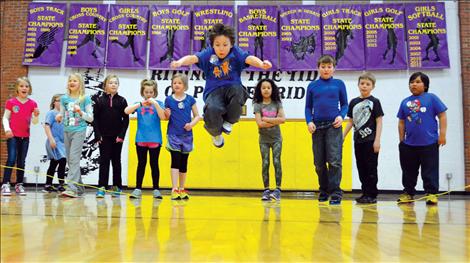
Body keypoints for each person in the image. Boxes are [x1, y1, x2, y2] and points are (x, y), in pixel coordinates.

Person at [170, 23, 272, 147]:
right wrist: (180, 62)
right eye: (217, 45)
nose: (221, 49)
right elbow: (193, 58)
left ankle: (229, 122)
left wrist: (261, 64)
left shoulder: (236, 52)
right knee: (213, 110)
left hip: (232, 88)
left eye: (225, 45)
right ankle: (216, 134)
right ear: (212, 45)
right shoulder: (208, 54)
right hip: (214, 91)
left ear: (231, 44)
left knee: (238, 91)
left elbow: (249, 58)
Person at [397, 72, 447, 205]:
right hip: (409, 145)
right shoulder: (405, 102)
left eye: (418, 81)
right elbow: (401, 121)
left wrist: (442, 135)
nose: (414, 84)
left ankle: (431, 194)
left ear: (425, 85)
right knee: (408, 171)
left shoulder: (431, 98)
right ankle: (408, 193)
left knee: (429, 170)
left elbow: (442, 116)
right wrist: (401, 140)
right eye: (412, 82)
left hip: (429, 143)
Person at [305, 54, 348, 205]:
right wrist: (309, 121)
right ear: (318, 68)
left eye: (329, 67)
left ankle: (336, 192)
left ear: (333, 69)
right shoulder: (312, 86)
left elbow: (344, 104)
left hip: (333, 126)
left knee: (335, 161)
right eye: (323, 67)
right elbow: (308, 107)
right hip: (317, 127)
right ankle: (324, 189)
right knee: (319, 162)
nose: (326, 69)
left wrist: (341, 116)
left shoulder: (339, 84)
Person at [343, 73, 384, 204]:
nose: (364, 86)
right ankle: (365, 192)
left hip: (370, 141)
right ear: (358, 85)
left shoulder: (375, 102)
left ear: (373, 87)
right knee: (361, 167)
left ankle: (372, 194)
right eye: (362, 83)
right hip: (358, 141)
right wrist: (342, 136)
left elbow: (379, 122)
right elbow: (350, 122)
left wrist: (377, 140)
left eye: (368, 84)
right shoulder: (353, 102)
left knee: (371, 167)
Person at [125, 79, 166, 199]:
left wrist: (155, 104)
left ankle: (156, 189)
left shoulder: (159, 103)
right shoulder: (138, 104)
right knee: (141, 164)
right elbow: (126, 111)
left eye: (151, 92)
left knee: (154, 164)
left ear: (155, 93)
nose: (149, 94)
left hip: (155, 140)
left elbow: (163, 117)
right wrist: (140, 104)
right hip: (141, 139)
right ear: (143, 92)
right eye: (146, 92)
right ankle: (138, 189)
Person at [56, 73, 93, 198]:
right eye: (70, 80)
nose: (72, 82)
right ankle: (80, 187)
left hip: (79, 131)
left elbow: (91, 118)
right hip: (66, 130)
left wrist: (80, 111)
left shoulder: (85, 98)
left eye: (75, 81)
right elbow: (61, 113)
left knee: (74, 159)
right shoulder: (64, 99)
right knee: (70, 161)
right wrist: (59, 116)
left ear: (80, 84)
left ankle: (71, 188)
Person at [164, 73, 201, 200]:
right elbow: (165, 117)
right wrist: (167, 114)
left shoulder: (190, 99)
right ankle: (174, 189)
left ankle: (182, 188)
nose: (176, 85)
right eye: (174, 83)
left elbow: (197, 116)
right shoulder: (168, 100)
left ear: (185, 85)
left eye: (179, 83)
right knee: (175, 160)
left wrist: (191, 124)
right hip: (173, 135)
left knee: (184, 163)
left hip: (187, 136)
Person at [1, 77, 40, 196]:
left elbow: (34, 122)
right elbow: (5, 118)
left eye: (26, 86)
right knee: (11, 159)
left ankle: (19, 185)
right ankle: (5, 184)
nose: (24, 88)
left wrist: (36, 116)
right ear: (17, 88)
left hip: (25, 137)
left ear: (29, 89)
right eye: (22, 86)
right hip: (13, 136)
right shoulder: (11, 102)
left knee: (21, 161)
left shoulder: (33, 104)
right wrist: (7, 129)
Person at [93, 74, 129, 198]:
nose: (113, 85)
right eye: (111, 83)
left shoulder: (122, 100)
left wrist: (121, 135)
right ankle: (102, 187)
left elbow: (126, 120)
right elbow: (95, 119)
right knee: (104, 161)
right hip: (104, 137)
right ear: (105, 85)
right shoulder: (99, 100)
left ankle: (117, 187)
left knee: (116, 161)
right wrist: (98, 135)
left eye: (116, 83)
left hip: (117, 137)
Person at [253, 79, 285, 201]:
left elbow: (283, 119)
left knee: (277, 162)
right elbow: (259, 124)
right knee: (265, 163)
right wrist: (274, 120)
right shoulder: (257, 105)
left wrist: (267, 119)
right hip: (264, 140)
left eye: (268, 87)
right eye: (263, 88)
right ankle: (266, 190)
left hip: (277, 139)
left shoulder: (277, 103)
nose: (266, 90)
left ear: (272, 89)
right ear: (260, 90)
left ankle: (277, 190)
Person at [43, 94, 67, 193]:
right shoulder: (51, 113)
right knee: (62, 160)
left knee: (55, 163)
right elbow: (47, 126)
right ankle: (60, 184)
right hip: (54, 141)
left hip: (62, 143)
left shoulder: (64, 114)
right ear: (54, 102)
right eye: (59, 101)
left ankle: (49, 184)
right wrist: (51, 139)